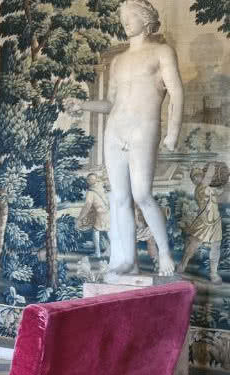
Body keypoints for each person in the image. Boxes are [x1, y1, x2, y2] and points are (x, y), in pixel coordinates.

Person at [69, 0, 183, 276]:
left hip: (143, 129)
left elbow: (177, 92)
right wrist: (82, 104)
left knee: (142, 194)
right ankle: (128, 260)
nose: (125, 21)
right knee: (119, 198)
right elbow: (110, 104)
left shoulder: (161, 51)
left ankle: (164, 253)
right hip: (115, 129)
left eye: (131, 16)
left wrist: (173, 133)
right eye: (123, 17)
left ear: (146, 19)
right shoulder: (118, 61)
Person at [179, 163, 225, 283]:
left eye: (198, 175)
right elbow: (209, 177)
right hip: (203, 222)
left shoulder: (209, 188)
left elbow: (218, 194)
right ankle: (182, 265)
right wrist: (212, 166)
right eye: (194, 177)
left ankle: (213, 273)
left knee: (216, 247)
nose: (196, 178)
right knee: (193, 245)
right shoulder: (199, 189)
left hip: (215, 222)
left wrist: (221, 183)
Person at [76, 173, 111, 257]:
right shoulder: (101, 188)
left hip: (99, 214)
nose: (87, 181)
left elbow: (87, 205)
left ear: (91, 181)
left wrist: (80, 217)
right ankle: (111, 251)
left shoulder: (90, 191)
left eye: (88, 179)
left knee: (96, 231)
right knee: (108, 231)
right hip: (108, 213)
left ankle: (97, 253)